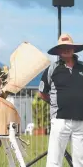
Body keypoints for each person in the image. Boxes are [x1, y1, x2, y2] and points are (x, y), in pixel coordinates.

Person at [38, 33, 83, 167]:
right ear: (58, 51)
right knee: (54, 160)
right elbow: (42, 93)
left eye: (68, 46)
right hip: (60, 120)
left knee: (80, 161)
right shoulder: (52, 68)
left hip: (81, 122)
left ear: (74, 49)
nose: (66, 49)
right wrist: (55, 105)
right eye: (62, 47)